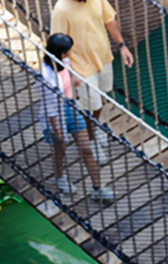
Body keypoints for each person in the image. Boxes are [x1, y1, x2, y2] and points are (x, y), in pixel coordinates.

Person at [50, 0, 132, 161]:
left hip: (102, 59)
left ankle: (94, 129)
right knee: (89, 106)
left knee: (100, 99)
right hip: (81, 68)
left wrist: (122, 45)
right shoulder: (62, 9)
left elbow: (109, 20)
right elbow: (56, 43)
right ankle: (90, 139)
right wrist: (68, 74)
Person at [37, 33, 114, 202]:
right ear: (61, 54)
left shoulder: (63, 62)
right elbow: (50, 109)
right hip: (55, 115)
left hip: (69, 106)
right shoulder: (47, 78)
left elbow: (68, 71)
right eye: (68, 51)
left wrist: (73, 83)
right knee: (60, 148)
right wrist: (58, 132)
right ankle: (60, 177)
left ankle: (97, 188)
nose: (70, 54)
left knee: (86, 149)